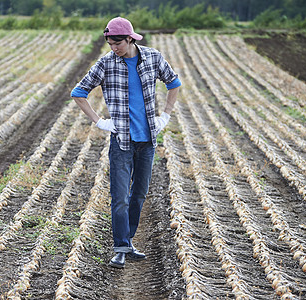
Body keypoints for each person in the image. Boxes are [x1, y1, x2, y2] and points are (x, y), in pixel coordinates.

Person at [71, 17, 181, 268]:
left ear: (130, 38)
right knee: (119, 197)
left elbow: (174, 83)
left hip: (148, 141)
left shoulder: (152, 58)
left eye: (117, 42)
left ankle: (128, 241)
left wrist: (166, 115)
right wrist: (99, 121)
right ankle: (120, 246)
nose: (114, 48)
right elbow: (78, 93)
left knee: (139, 195)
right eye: (110, 43)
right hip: (121, 141)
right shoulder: (106, 64)